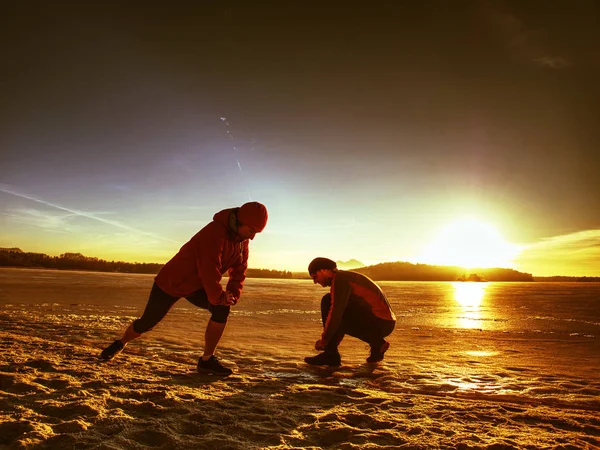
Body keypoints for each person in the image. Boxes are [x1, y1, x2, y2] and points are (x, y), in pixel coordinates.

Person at [100, 201, 268, 376]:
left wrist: (232, 294)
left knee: (221, 310)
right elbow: (209, 268)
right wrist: (218, 296)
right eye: (251, 230)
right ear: (239, 221)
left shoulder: (242, 242)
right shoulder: (214, 232)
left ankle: (206, 361)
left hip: (196, 286)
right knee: (147, 323)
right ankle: (121, 342)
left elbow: (240, 269)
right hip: (171, 282)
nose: (252, 237)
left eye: (256, 233)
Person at [305, 257, 396, 367]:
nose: (315, 282)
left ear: (323, 270)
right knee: (332, 303)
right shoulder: (344, 277)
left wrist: (325, 341)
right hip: (384, 322)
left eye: (315, 277)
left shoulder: (340, 280)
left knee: (327, 301)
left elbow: (336, 314)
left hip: (380, 322)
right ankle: (377, 344)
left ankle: (331, 355)